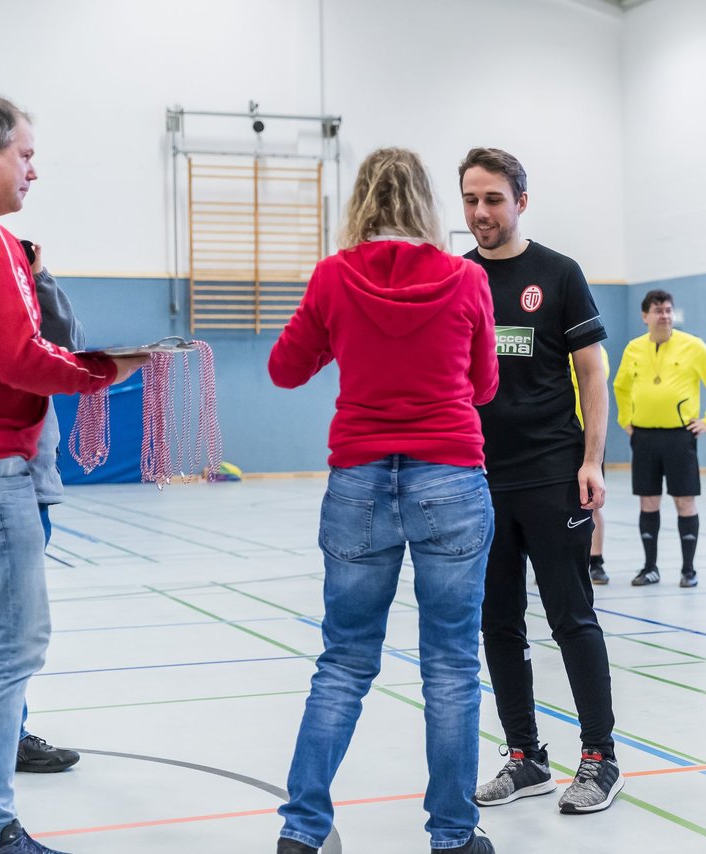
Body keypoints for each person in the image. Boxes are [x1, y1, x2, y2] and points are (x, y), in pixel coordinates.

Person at [269, 147, 499, 854]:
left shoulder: (333, 277)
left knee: (343, 662)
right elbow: (484, 386)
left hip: (360, 480)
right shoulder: (466, 279)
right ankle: (454, 837)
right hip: (451, 479)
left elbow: (284, 370)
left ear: (361, 201)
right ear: (427, 202)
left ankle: (302, 832)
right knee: (453, 665)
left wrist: (342, 335)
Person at [0, 93, 146, 854]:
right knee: (4, 650)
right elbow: (18, 356)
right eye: (23, 153)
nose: (33, 169)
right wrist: (106, 367)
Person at [459, 148, 623, 815]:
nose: (480, 213)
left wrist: (591, 460)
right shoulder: (456, 278)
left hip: (552, 473)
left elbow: (592, 373)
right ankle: (524, 756)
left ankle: (600, 758)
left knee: (571, 618)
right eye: (470, 199)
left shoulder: (558, 275)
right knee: (498, 623)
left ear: (521, 201)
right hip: (478, 482)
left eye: (493, 199)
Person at [16, 241, 83, 775]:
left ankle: (4, 735)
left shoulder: (18, 268)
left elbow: (69, 343)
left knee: (2, 633)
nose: (31, 172)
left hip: (26, 481)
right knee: (2, 636)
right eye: (25, 156)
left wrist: (38, 275)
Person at [614, 290, 706, 588]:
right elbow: (621, 387)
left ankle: (688, 570)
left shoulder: (693, 346)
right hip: (643, 436)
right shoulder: (633, 349)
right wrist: (625, 419)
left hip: (680, 437)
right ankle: (650, 567)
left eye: (668, 310)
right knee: (648, 501)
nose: (664, 315)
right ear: (645, 317)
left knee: (685, 501)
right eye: (658, 310)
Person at [571, 349, 612, 584]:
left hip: (587, 437)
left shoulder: (591, 349)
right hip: (555, 436)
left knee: (592, 502)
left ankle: (596, 561)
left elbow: (594, 376)